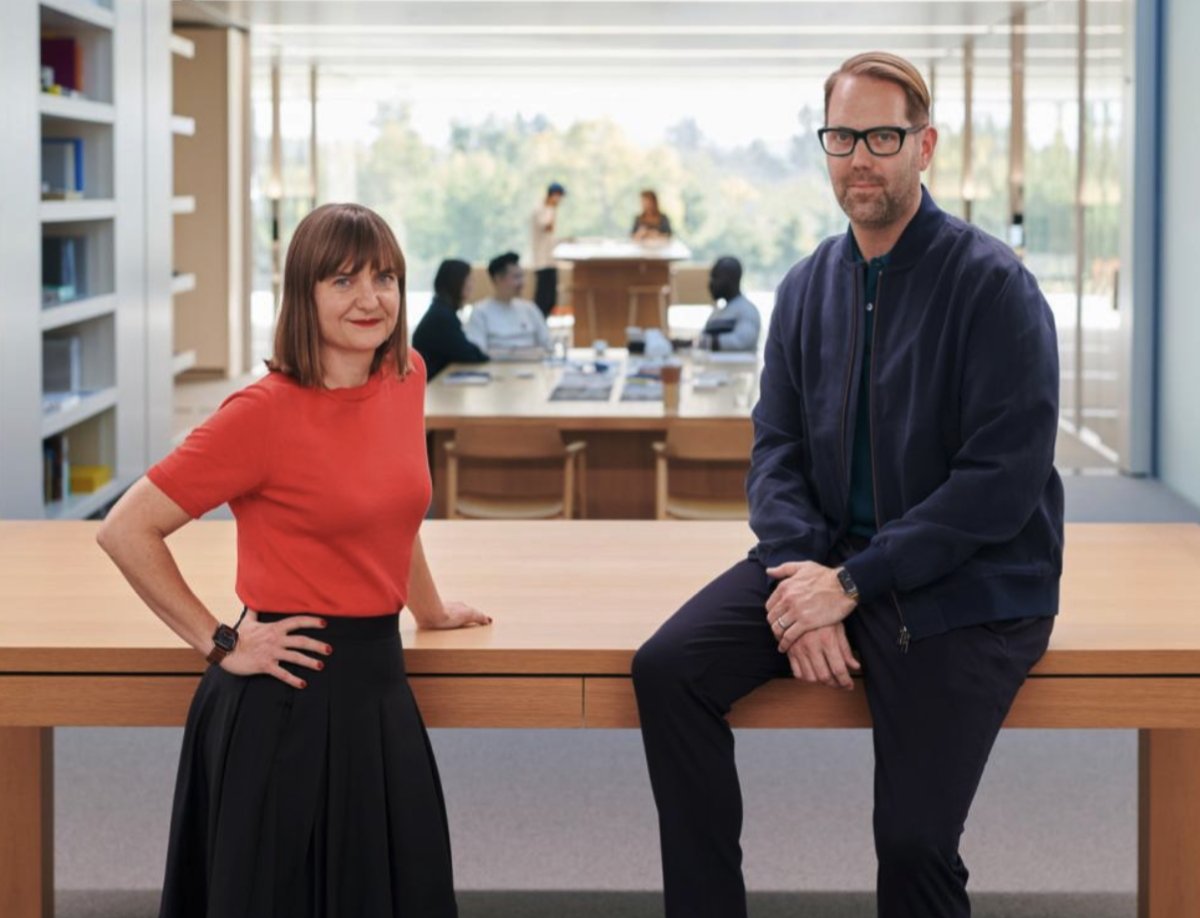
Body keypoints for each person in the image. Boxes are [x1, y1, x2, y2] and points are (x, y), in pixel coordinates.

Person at [632, 51, 1062, 918]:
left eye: (881, 135)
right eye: (841, 136)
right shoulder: (804, 288)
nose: (859, 156)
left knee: (912, 842)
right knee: (667, 670)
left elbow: (999, 485)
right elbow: (776, 449)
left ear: (924, 145)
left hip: (963, 584)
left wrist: (853, 586)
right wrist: (802, 575)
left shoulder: (994, 287)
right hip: (823, 556)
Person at [96, 203, 491, 917]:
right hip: (287, 692)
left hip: (379, 685)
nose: (370, 299)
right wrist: (218, 641)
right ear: (304, 294)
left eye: (385, 278)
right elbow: (126, 530)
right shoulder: (262, 413)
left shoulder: (407, 376)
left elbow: (391, 511)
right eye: (343, 281)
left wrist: (429, 610)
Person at [413, 258, 489, 379]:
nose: (472, 285)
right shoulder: (442, 317)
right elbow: (469, 354)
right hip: (433, 387)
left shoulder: (442, 311)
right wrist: (484, 355)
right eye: (469, 279)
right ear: (457, 282)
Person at [465, 251, 552, 353]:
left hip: (532, 367)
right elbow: (478, 350)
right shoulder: (480, 312)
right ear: (498, 279)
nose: (522, 283)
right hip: (494, 368)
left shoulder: (530, 309)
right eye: (516, 277)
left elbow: (548, 345)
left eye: (522, 276)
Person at [698, 256, 761, 352]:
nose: (711, 283)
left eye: (715, 277)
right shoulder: (716, 313)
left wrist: (706, 342)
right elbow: (701, 339)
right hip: (714, 367)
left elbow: (742, 342)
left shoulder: (747, 310)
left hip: (739, 367)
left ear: (730, 279)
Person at [531, 181, 566, 318]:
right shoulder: (541, 210)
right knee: (542, 300)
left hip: (550, 259)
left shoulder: (548, 210)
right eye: (559, 197)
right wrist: (553, 209)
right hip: (542, 261)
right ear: (553, 195)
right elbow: (547, 227)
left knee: (551, 299)